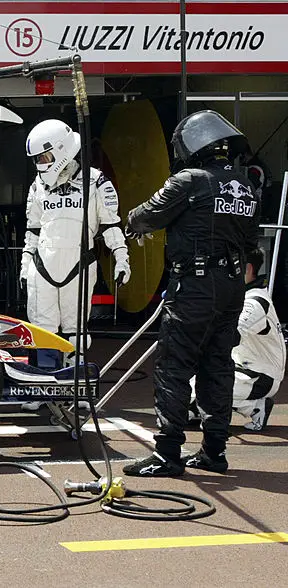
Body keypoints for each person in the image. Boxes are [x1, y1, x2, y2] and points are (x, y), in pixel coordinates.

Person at [123, 110, 260, 477]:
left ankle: (167, 453)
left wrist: (134, 223)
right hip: (231, 288)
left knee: (174, 366)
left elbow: (143, 216)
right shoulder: (244, 184)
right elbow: (253, 244)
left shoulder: (190, 180)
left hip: (194, 286)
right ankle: (214, 451)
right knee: (218, 365)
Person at [21, 119, 131, 370]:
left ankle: (73, 385)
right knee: (41, 329)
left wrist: (122, 258)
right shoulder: (37, 185)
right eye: (37, 158)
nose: (40, 164)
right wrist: (25, 262)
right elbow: (34, 228)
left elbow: (110, 225)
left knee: (76, 330)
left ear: (61, 150)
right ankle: (42, 385)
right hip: (42, 265)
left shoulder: (95, 182)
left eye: (44, 156)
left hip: (78, 263)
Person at [188, 248, 283, 431]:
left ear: (246, 269)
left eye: (229, 267)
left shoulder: (255, 302)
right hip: (240, 367)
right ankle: (197, 408)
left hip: (261, 376)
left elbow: (229, 337)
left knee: (209, 387)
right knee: (184, 395)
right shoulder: (240, 296)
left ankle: (256, 407)